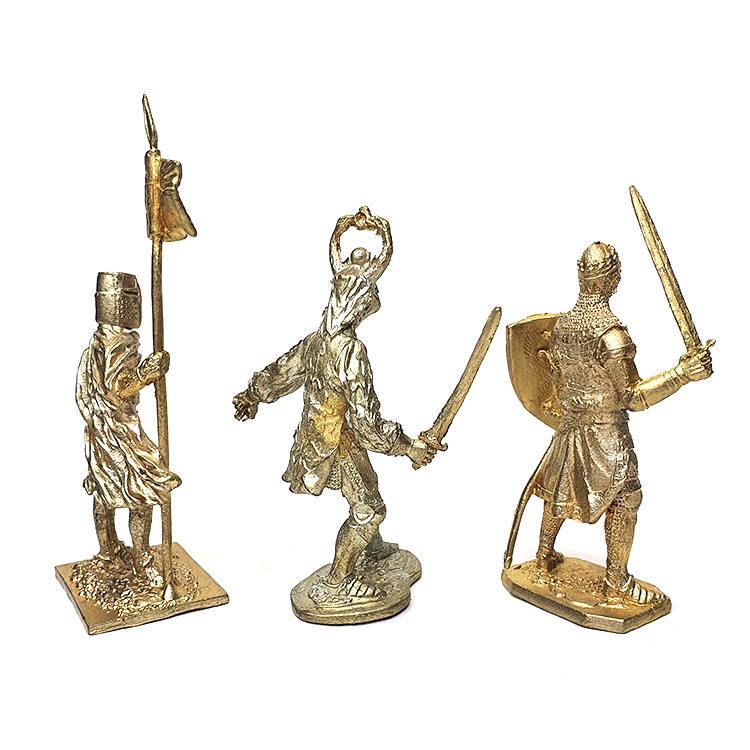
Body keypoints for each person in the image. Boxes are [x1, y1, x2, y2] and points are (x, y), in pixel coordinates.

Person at [233, 207, 436, 606]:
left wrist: (251, 395)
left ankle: (374, 551)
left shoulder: (316, 341)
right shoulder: (351, 352)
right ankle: (338, 579)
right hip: (337, 441)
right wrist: (409, 447)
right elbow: (367, 424)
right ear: (362, 305)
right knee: (369, 509)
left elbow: (279, 373)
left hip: (323, 438)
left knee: (366, 490)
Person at [532, 242, 712, 604]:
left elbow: (558, 378)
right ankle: (617, 581)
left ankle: (543, 554)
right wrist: (682, 374)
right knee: (626, 497)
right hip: (606, 432)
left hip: (569, 426)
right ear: (613, 279)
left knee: (559, 490)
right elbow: (633, 397)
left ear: (581, 276)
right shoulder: (612, 336)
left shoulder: (562, 325)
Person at [76, 272, 179, 582]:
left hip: (101, 430)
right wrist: (147, 373)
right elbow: (120, 387)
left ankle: (108, 551)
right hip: (118, 431)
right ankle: (141, 560)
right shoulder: (115, 341)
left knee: (104, 492)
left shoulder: (100, 339)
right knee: (143, 491)